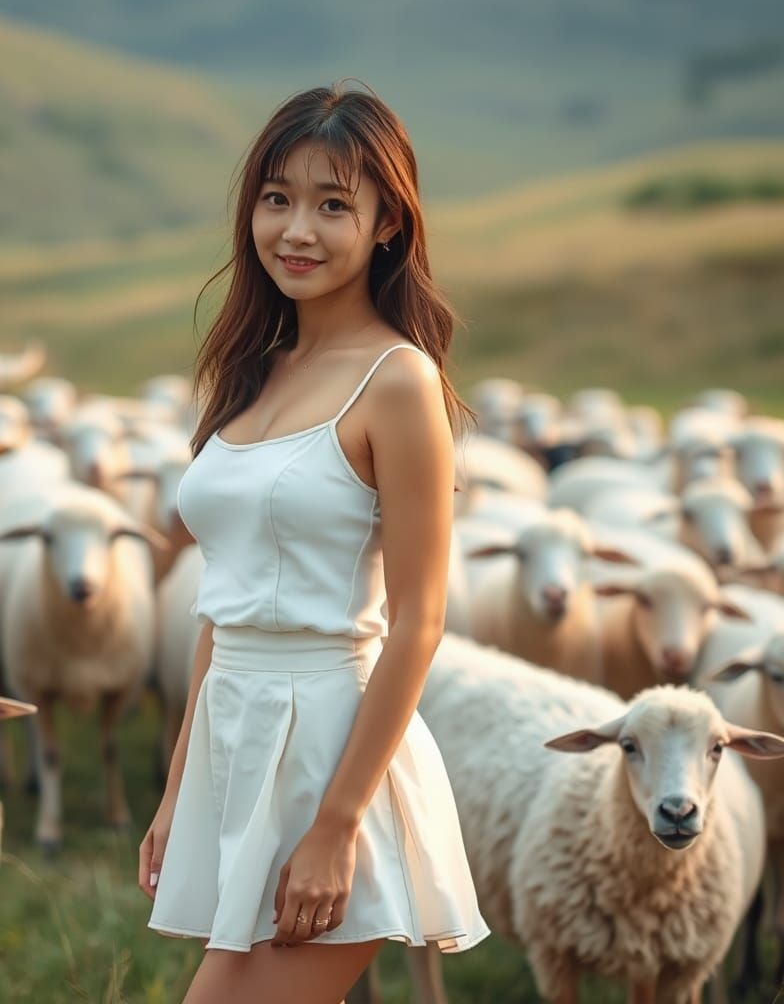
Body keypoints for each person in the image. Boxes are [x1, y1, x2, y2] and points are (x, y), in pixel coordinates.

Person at [139, 82, 489, 1004]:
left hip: (334, 754)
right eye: (277, 198)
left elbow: (418, 623)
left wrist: (337, 825)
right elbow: (223, 605)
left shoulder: (398, 381)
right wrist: (178, 791)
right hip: (236, 740)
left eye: (333, 205)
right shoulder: (253, 370)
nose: (296, 230)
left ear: (387, 224)